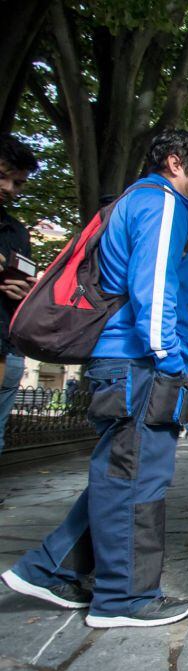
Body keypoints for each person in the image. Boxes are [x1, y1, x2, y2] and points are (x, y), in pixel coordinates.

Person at [2, 129, 188, 628]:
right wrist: (170, 360)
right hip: (139, 364)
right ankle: (123, 599)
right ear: (174, 164)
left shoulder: (134, 201)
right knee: (137, 478)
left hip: (121, 363)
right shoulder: (162, 206)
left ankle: (46, 569)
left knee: (118, 474)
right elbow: (154, 287)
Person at [0, 135, 39, 457]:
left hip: (6, 346)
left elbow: (27, 283)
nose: (11, 189)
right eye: (4, 177)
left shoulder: (16, 232)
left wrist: (24, 292)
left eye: (19, 183)